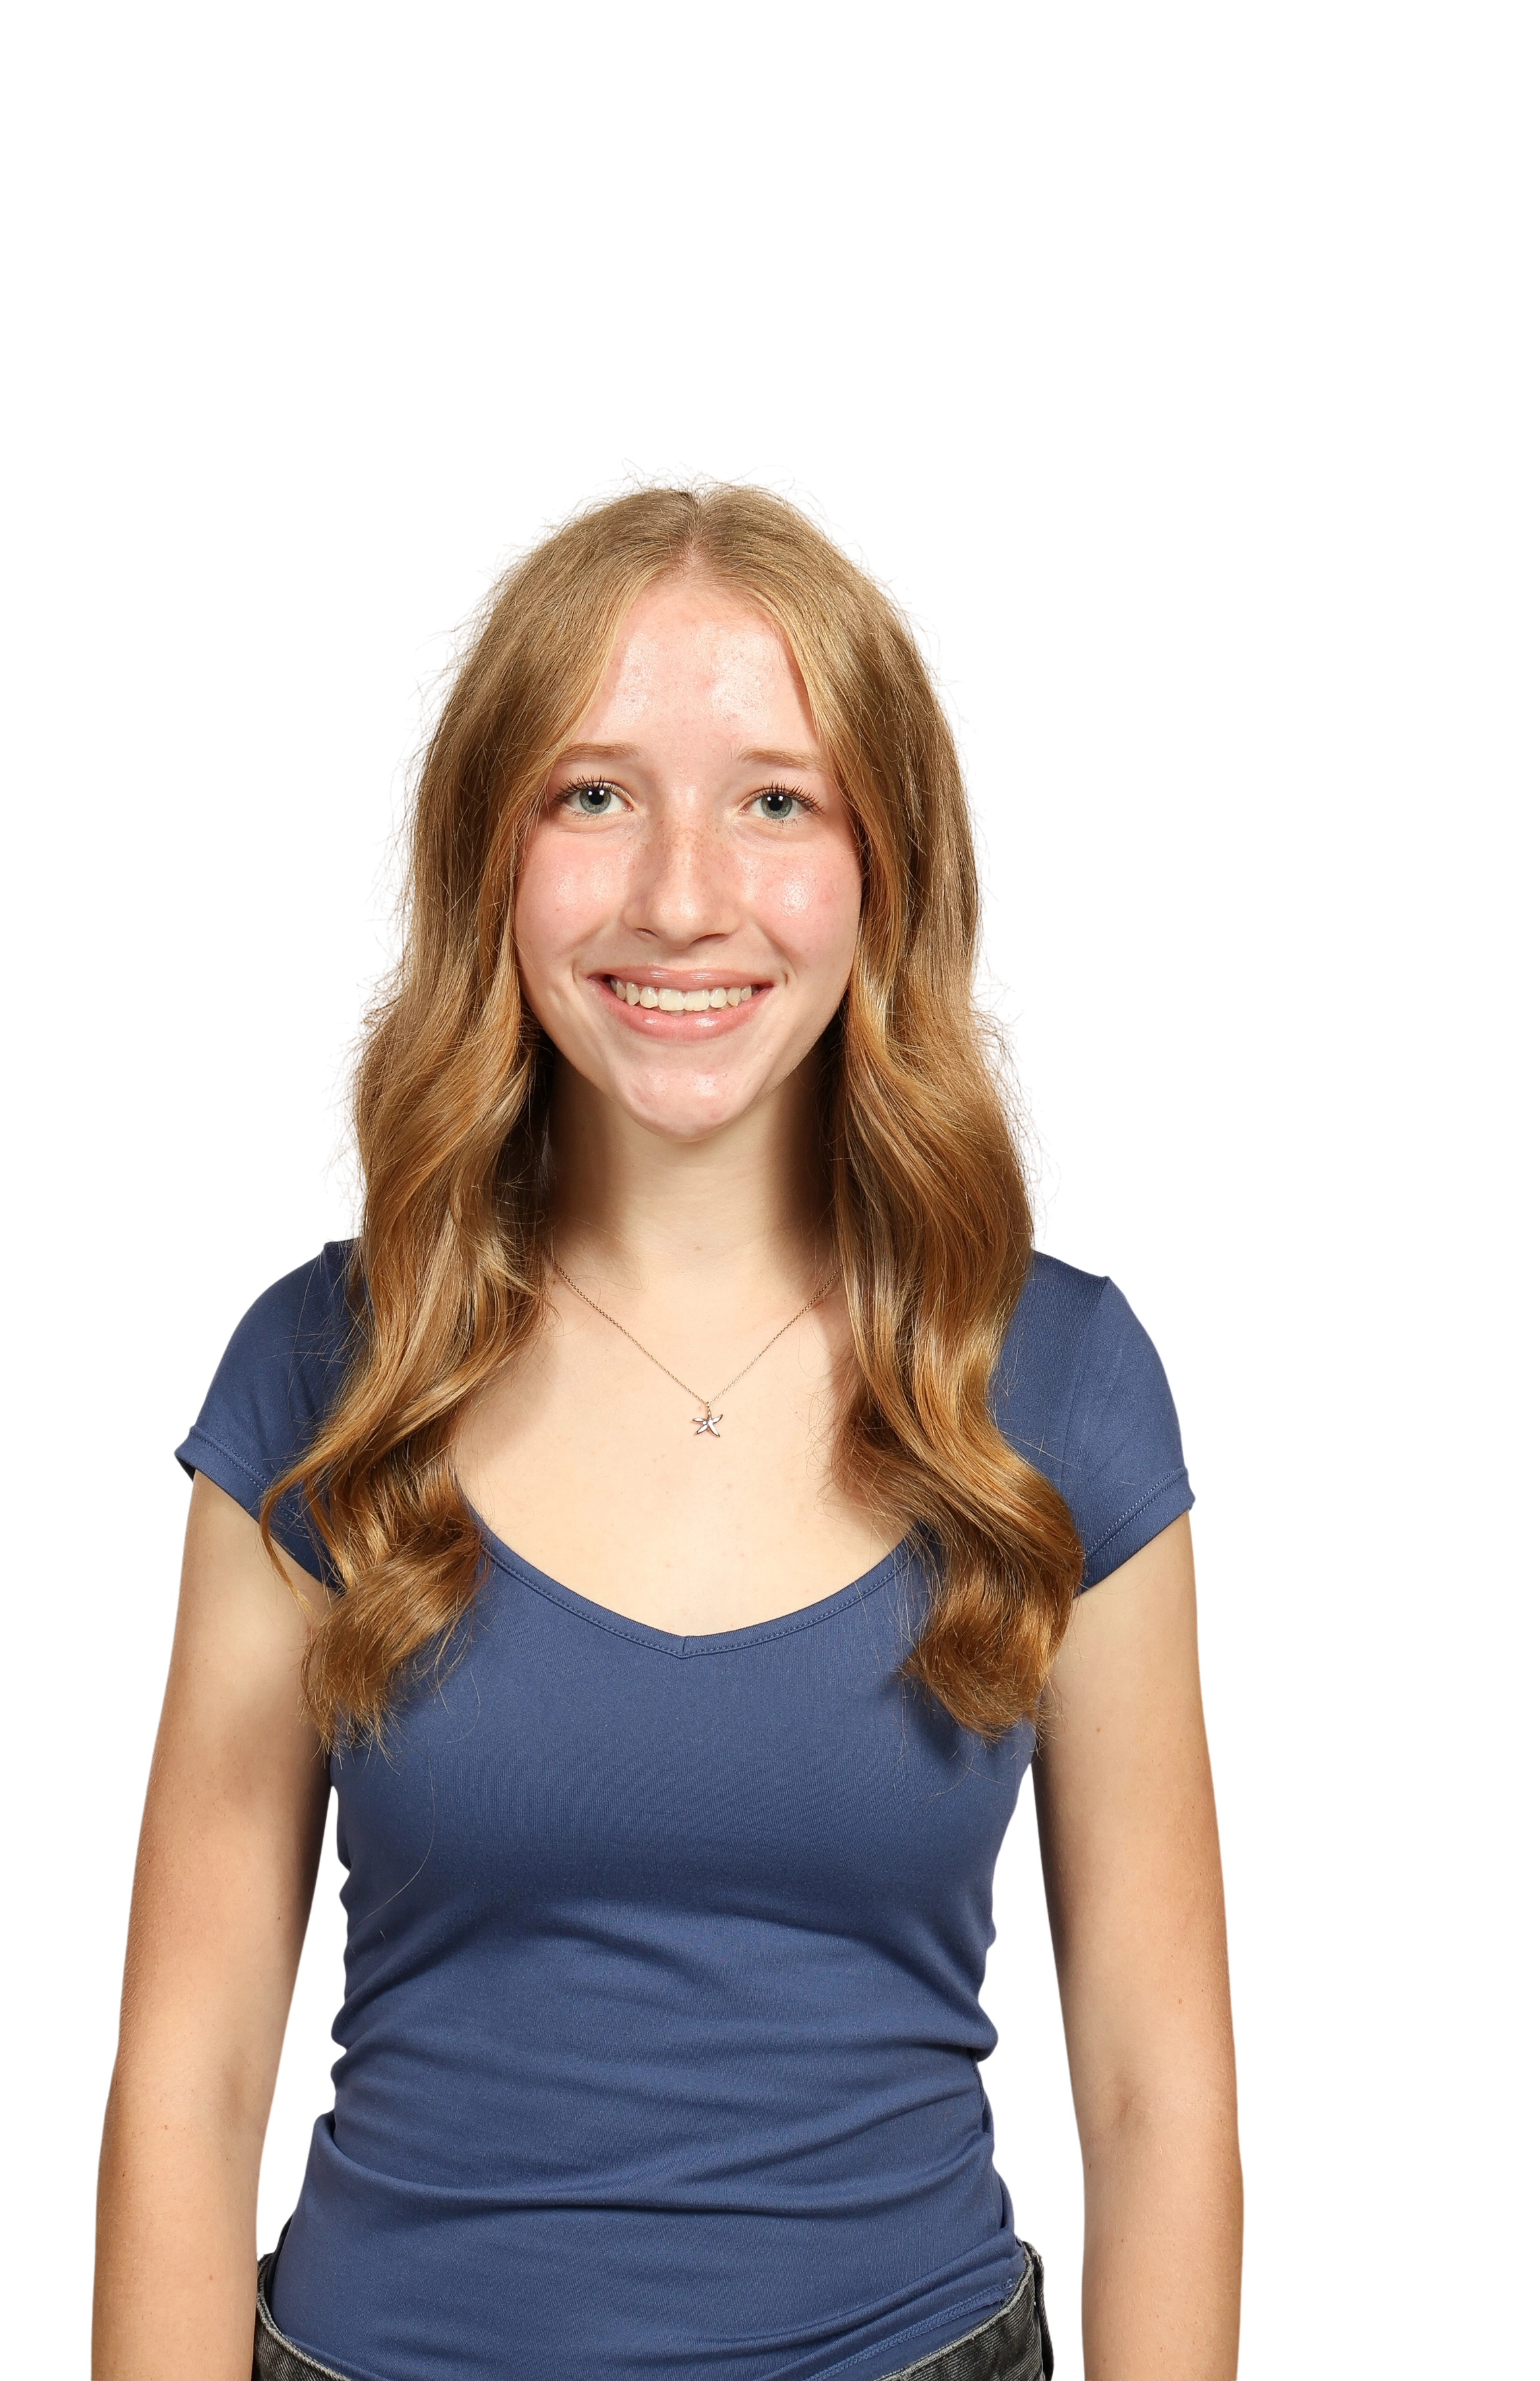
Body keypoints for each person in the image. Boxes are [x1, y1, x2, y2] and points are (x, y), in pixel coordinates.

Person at [90, 462, 1243, 2381]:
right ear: (487, 858)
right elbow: (188, 2080)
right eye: (593, 796)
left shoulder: (1059, 1380)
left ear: (885, 867)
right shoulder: (319, 1373)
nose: (683, 899)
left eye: (776, 800)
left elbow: (1153, 2086)